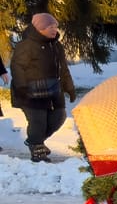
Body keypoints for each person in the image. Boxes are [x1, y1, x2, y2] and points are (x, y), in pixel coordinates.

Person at [11, 13, 76, 162]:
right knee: (38, 121)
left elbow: (63, 68)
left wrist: (69, 87)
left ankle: (34, 141)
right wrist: (22, 87)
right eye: (50, 26)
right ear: (40, 28)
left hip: (53, 91)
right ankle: (38, 151)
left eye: (55, 26)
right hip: (29, 91)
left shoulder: (56, 45)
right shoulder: (26, 45)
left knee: (59, 117)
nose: (54, 29)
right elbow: (17, 66)